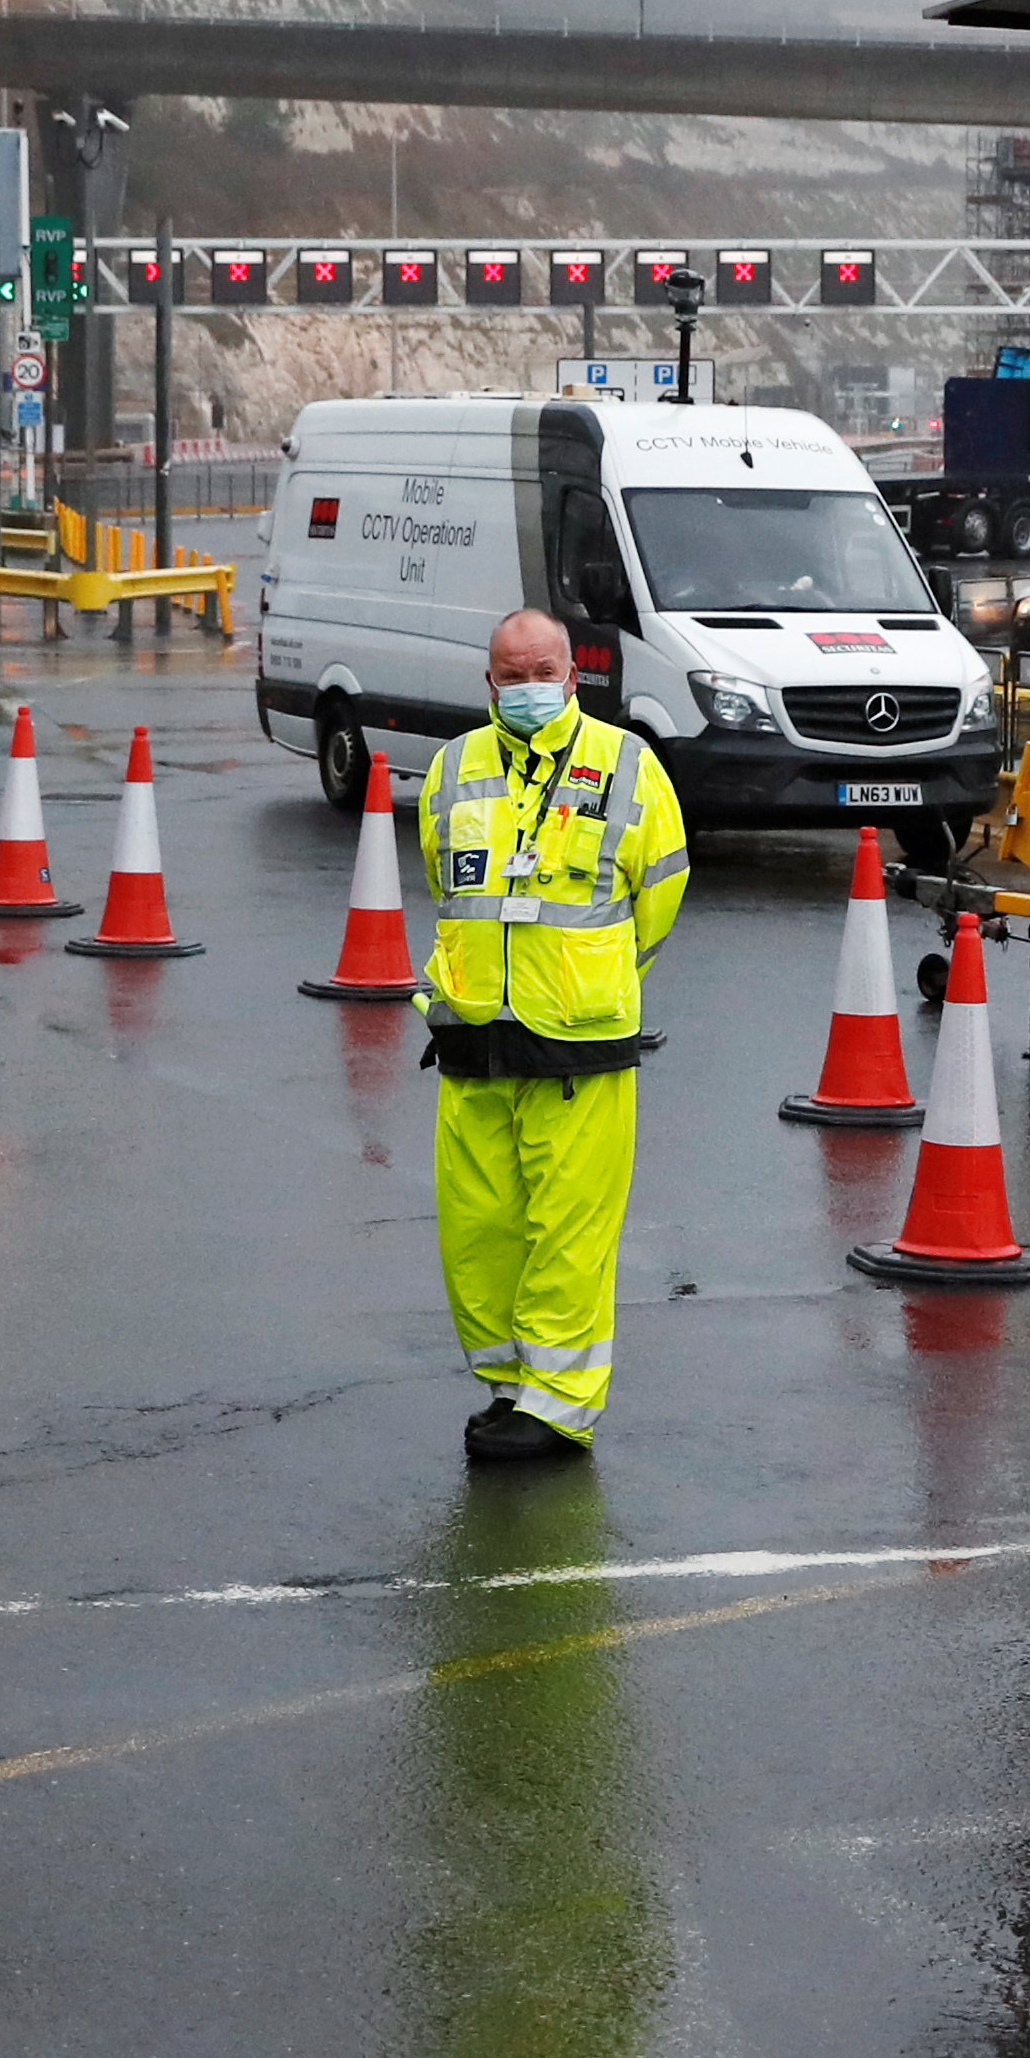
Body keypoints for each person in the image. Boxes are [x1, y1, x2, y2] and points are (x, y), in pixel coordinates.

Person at [417, 608, 690, 1462]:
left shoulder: (628, 764)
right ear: (488, 681)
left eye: (544, 671)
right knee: (480, 1229)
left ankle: (558, 1405)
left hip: (579, 1043)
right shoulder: (453, 766)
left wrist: (592, 980)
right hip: (473, 1040)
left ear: (573, 676)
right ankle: (509, 1387)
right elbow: (444, 881)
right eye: (511, 673)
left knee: (569, 1232)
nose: (528, 686)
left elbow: (660, 893)